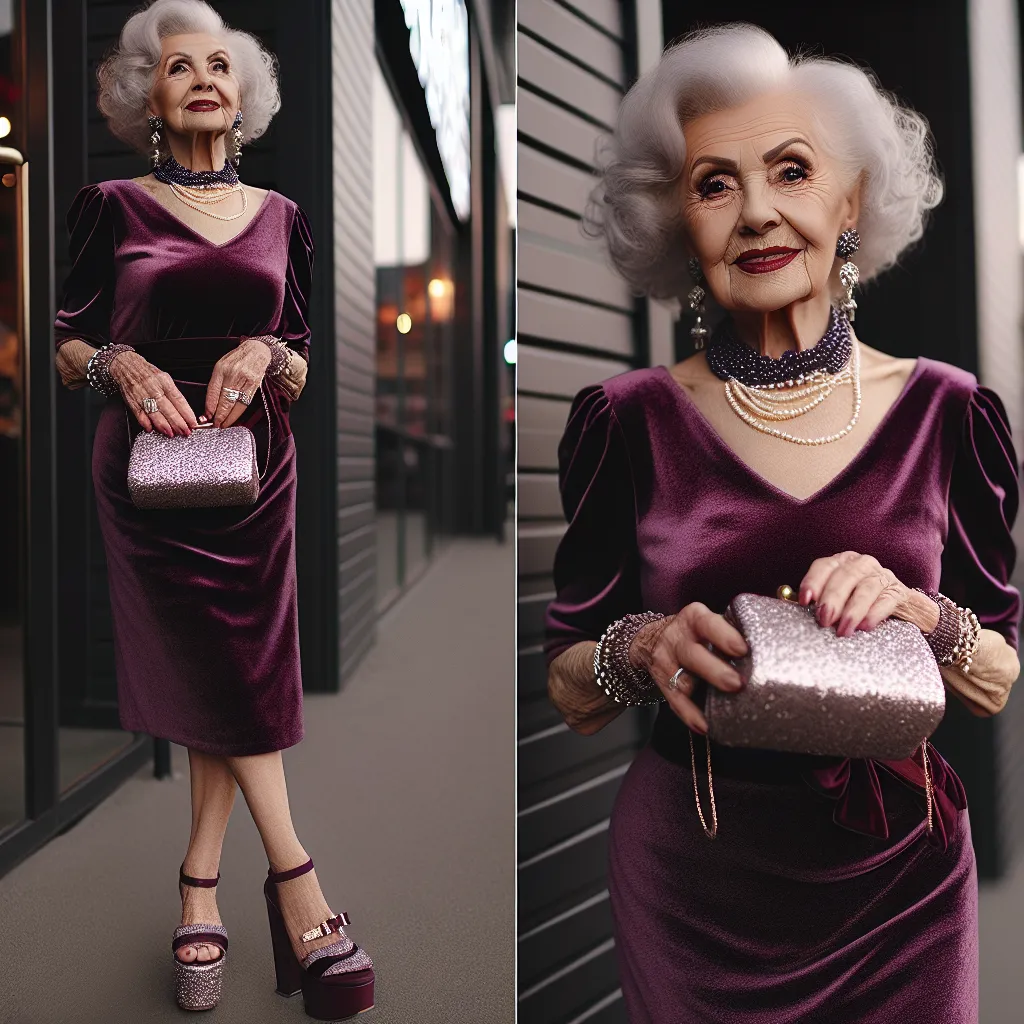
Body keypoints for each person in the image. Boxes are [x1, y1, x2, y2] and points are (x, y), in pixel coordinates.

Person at [546, 23, 1021, 1024]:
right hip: (695, 888)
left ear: (847, 201)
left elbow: (995, 679)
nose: (756, 212)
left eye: (791, 171)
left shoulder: (948, 412)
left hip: (905, 887)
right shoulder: (624, 421)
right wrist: (640, 646)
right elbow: (569, 687)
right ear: (678, 219)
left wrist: (922, 614)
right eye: (714, 183)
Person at [52, 1, 373, 1018]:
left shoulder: (285, 218)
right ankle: (298, 883)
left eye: (221, 67)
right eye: (180, 65)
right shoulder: (108, 205)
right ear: (150, 95)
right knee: (220, 666)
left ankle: (198, 881)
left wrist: (267, 349)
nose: (202, 77)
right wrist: (120, 360)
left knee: (230, 669)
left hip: (257, 469)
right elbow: (65, 339)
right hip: (147, 467)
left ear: (244, 99)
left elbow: (308, 358)